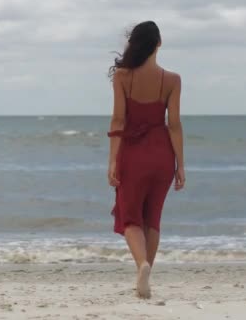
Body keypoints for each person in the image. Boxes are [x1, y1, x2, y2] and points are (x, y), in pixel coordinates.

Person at [107, 20, 185, 299]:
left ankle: (142, 266)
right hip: (162, 153)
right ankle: (146, 273)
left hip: (133, 153)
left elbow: (118, 119)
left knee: (130, 217)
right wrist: (180, 165)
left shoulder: (123, 77)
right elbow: (174, 124)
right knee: (153, 218)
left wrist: (113, 161)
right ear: (159, 44)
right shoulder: (172, 80)